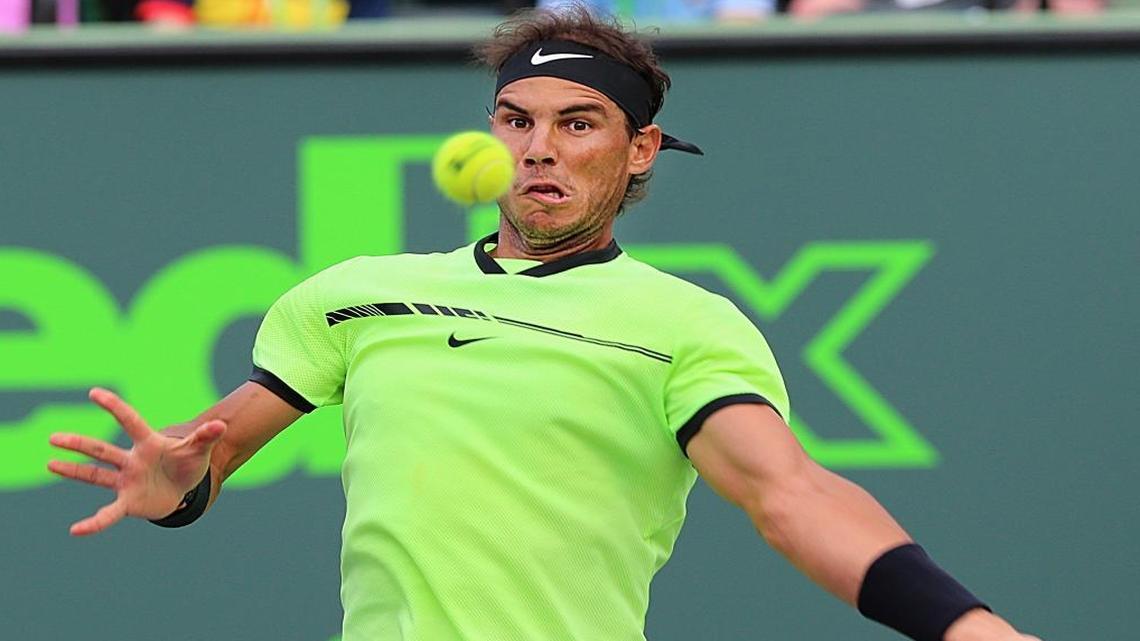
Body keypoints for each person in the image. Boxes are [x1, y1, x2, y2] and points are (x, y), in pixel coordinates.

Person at [48, 6, 1043, 641]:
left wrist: (962, 625)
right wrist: (179, 481)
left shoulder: (682, 324)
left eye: (577, 123)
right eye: (518, 119)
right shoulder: (353, 297)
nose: (539, 148)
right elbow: (212, 452)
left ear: (640, 149)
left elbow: (791, 493)